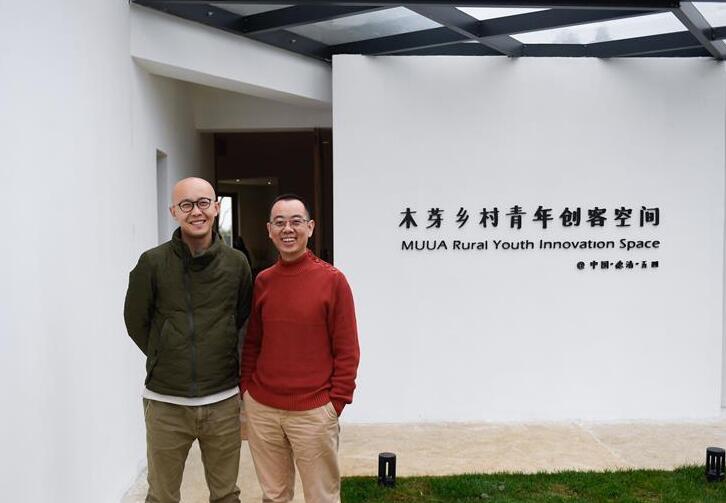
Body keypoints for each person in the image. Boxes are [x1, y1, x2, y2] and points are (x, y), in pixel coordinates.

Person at [124, 177, 252, 503]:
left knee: (226, 496)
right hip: (166, 402)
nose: (196, 211)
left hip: (222, 400)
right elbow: (136, 321)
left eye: (203, 203)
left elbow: (241, 317)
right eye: (186, 204)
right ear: (174, 211)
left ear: (216, 207)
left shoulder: (237, 264)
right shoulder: (152, 262)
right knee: (161, 497)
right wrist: (165, 352)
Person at [241, 194, 360, 503]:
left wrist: (335, 403)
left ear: (310, 227)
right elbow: (253, 341)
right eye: (279, 222)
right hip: (263, 409)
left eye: (296, 221)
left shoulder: (333, 281)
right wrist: (247, 390)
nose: (288, 229)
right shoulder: (264, 281)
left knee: (321, 497)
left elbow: (347, 349)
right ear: (269, 230)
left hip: (314, 411)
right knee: (274, 496)